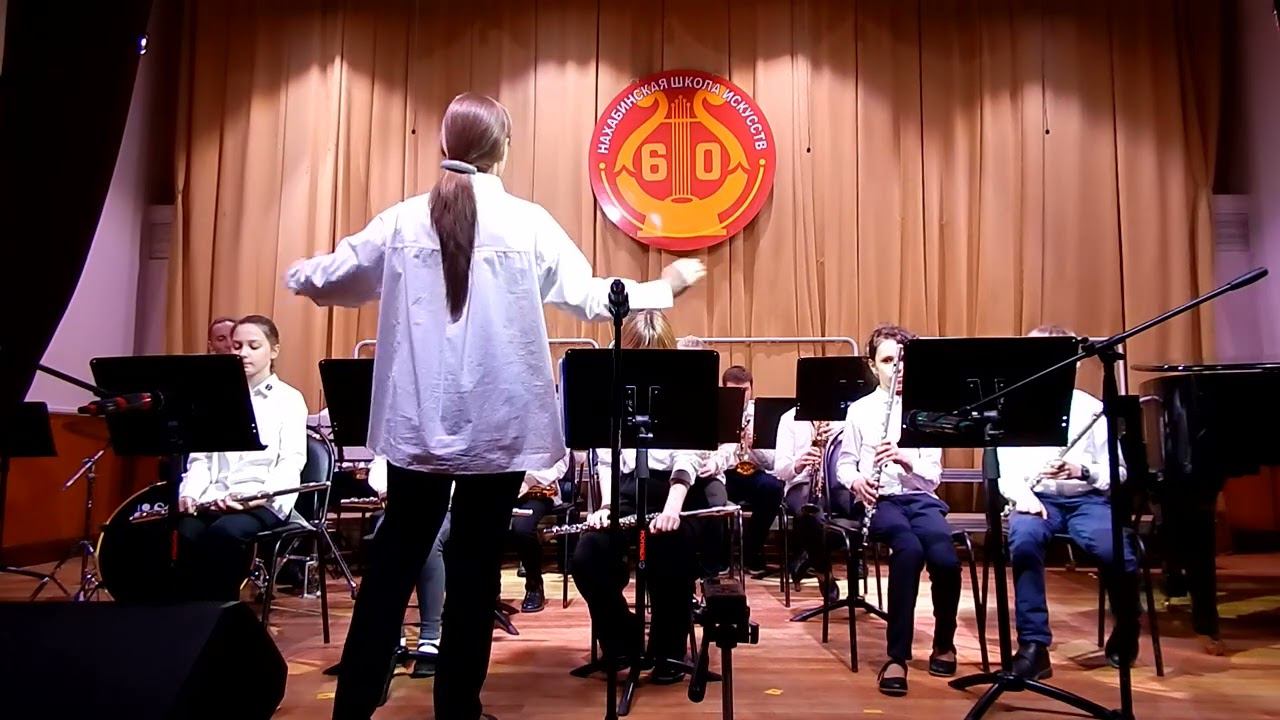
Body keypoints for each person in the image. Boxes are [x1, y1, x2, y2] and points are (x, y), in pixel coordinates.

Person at [285, 92, 705, 720]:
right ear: (502, 149)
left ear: (445, 147)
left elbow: (332, 279)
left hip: (419, 428)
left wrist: (298, 273)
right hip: (497, 426)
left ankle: (353, 708)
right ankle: (457, 709)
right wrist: (661, 287)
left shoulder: (401, 221)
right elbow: (591, 296)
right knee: (475, 569)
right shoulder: (526, 222)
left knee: (393, 565)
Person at [997, 324, 1140, 679]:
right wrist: (1023, 497)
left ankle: (1127, 622)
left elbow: (1119, 472)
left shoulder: (1091, 410)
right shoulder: (1013, 407)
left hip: (1086, 500)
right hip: (1035, 499)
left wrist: (1082, 471)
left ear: (1073, 363)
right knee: (1024, 541)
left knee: (1115, 551)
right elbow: (1005, 473)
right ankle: (1033, 646)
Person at [571, 310, 705, 683]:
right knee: (587, 556)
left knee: (669, 551)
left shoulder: (683, 390)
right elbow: (605, 457)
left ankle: (668, 649)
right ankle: (623, 640)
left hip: (673, 492)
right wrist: (606, 506)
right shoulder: (611, 392)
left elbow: (687, 457)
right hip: (626, 490)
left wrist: (671, 510)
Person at [837, 324, 959, 696]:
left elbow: (933, 477)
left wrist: (906, 459)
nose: (898, 368)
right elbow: (845, 464)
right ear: (873, 366)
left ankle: (944, 642)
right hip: (881, 500)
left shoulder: (927, 409)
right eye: (889, 361)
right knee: (908, 550)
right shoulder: (859, 410)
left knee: (945, 558)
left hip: (920, 499)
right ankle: (897, 656)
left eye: (903, 361)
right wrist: (857, 482)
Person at [177, 315, 308, 601]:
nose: (243, 353)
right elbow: (202, 458)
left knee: (226, 532)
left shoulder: (289, 399)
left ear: (273, 350)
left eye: (253, 346)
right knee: (185, 531)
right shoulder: (217, 397)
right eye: (237, 346)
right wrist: (190, 493)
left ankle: (221, 611)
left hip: (265, 500)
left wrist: (255, 497)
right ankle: (188, 610)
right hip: (216, 496)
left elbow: (291, 461)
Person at [772, 405, 842, 602]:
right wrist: (800, 462)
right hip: (801, 484)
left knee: (858, 511)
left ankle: (808, 554)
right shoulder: (789, 419)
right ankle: (823, 573)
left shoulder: (843, 420)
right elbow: (780, 470)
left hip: (837, 484)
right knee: (809, 514)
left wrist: (837, 440)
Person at [718, 366, 782, 573]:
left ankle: (751, 550)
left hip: (754, 472)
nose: (741, 396)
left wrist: (755, 444)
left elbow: (773, 463)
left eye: (745, 390)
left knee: (773, 488)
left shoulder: (762, 415)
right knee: (711, 492)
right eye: (734, 391)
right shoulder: (716, 413)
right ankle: (721, 556)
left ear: (752, 389)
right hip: (725, 472)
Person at [511, 451, 570, 612]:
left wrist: (529, 480)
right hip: (503, 488)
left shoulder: (555, 433)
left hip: (539, 491)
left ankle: (534, 585)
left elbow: (560, 465)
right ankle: (491, 592)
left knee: (522, 528)